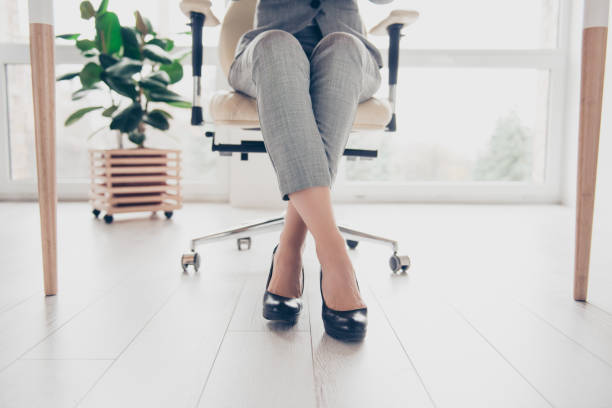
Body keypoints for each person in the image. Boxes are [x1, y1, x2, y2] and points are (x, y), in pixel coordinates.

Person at [227, 0, 393, 341]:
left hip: (348, 50)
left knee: (342, 47)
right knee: (278, 46)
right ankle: (335, 257)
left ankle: (289, 248)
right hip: (266, 48)